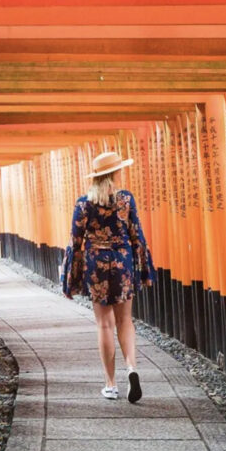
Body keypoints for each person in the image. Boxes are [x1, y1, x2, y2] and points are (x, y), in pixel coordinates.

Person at [60, 151, 156, 403]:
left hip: (97, 266)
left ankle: (110, 385)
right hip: (122, 262)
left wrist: (70, 279)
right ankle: (132, 368)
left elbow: (75, 242)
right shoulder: (125, 200)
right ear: (115, 174)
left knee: (104, 324)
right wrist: (144, 269)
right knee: (125, 321)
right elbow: (137, 236)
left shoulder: (83, 204)